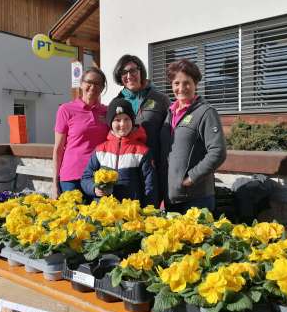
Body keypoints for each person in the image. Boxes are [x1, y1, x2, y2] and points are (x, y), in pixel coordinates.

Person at [160, 59, 227, 213]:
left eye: (187, 83)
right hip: (171, 197)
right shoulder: (169, 113)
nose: (181, 88)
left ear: (195, 83)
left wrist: (192, 177)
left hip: (196, 198)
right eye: (176, 83)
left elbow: (218, 152)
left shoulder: (206, 112)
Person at [111, 55, 170, 195]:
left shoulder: (161, 99)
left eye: (133, 70)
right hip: (126, 171)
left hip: (153, 167)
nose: (129, 75)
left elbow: (169, 135)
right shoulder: (117, 102)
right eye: (124, 72)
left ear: (141, 71)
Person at [81, 98, 155, 206]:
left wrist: (147, 210)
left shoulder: (142, 151)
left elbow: (150, 185)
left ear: (132, 121)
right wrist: (94, 188)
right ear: (110, 123)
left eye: (126, 119)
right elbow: (86, 177)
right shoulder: (100, 150)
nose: (122, 124)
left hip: (130, 213)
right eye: (117, 120)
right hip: (104, 211)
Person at [52, 67, 108, 198]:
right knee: (71, 217)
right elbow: (58, 149)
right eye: (89, 82)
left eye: (97, 83)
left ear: (102, 87)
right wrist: (54, 183)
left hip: (97, 177)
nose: (92, 87)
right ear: (81, 84)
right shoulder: (66, 109)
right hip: (71, 177)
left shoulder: (107, 111)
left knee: (98, 217)